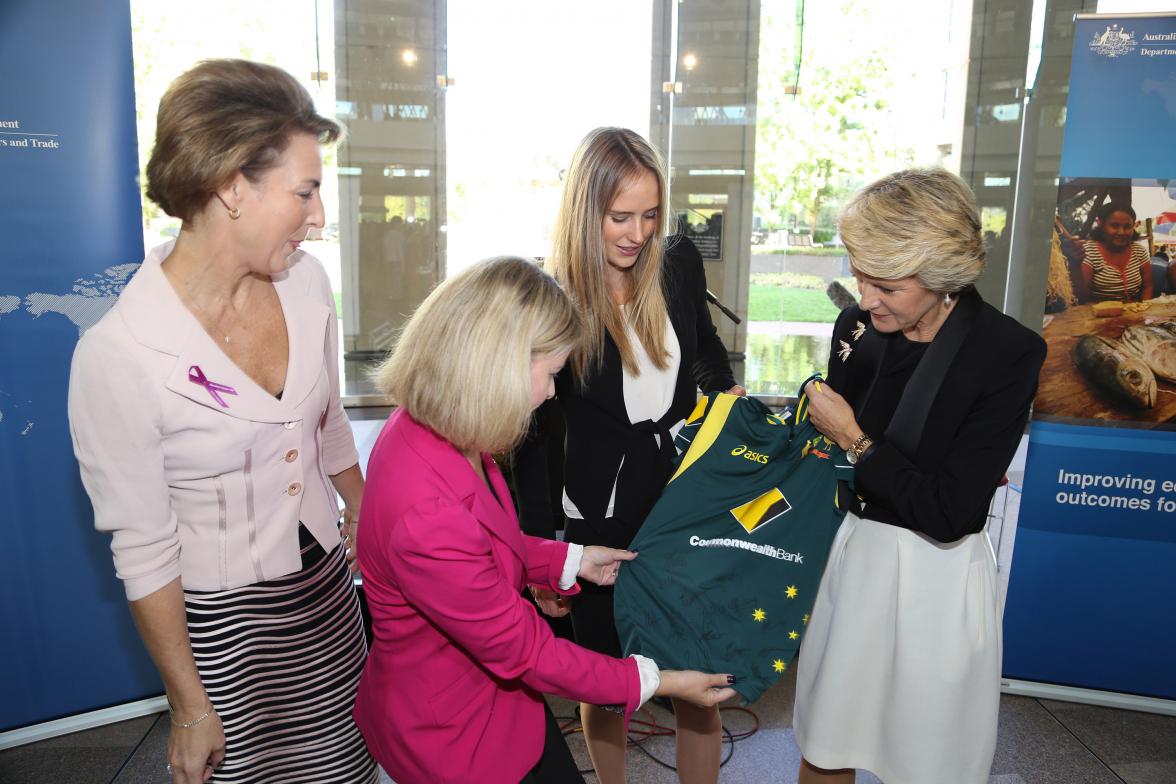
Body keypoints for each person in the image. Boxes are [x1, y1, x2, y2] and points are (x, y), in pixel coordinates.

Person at [68, 59, 375, 784]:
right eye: (304, 192)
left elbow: (323, 417)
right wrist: (188, 705)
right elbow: (143, 550)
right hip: (219, 633)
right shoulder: (117, 355)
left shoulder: (307, 284)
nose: (320, 217)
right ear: (231, 187)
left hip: (326, 595)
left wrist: (360, 506)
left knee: (348, 767)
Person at [353, 256, 735, 784]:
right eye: (552, 374)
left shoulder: (435, 427)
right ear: (496, 366)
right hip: (453, 734)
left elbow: (482, 544)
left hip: (494, 705)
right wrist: (658, 680)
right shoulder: (427, 512)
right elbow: (523, 648)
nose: (554, 393)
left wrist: (569, 559)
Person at [792, 168, 1046, 784]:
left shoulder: (1005, 351)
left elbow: (949, 511)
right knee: (829, 740)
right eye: (858, 273)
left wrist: (853, 436)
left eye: (884, 284)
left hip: (937, 574)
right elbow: (833, 450)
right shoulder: (857, 327)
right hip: (857, 557)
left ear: (941, 275)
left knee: (932, 757)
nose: (864, 296)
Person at [512, 127, 744, 784]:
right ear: (586, 209)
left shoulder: (676, 264)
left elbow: (700, 347)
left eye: (649, 215)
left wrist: (726, 396)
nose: (637, 233)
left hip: (676, 508)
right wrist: (541, 557)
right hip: (593, 519)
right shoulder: (551, 294)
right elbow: (532, 442)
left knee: (699, 679)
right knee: (607, 679)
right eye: (620, 217)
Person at [1060, 201, 1152, 302]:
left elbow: (1148, 287)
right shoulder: (1088, 251)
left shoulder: (1139, 251)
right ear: (1102, 225)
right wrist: (1075, 265)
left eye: (1127, 227)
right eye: (1114, 226)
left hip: (1135, 314)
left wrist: (1144, 308)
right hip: (1099, 315)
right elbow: (1081, 297)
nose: (1121, 232)